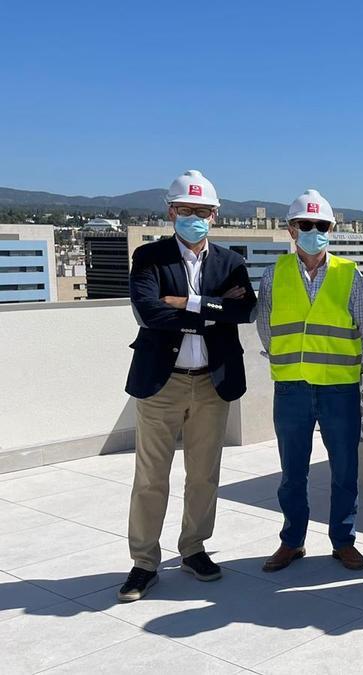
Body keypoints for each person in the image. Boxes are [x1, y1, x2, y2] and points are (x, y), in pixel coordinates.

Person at [119, 170, 257, 602]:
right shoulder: (149, 258)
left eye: (201, 211)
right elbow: (148, 313)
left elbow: (245, 312)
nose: (193, 218)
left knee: (203, 475)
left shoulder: (230, 262)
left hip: (212, 382)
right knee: (151, 478)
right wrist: (212, 310)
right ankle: (144, 562)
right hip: (163, 383)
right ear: (170, 212)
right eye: (185, 211)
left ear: (214, 215)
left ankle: (193, 548)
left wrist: (185, 302)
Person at [257, 189, 363, 573]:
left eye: (321, 225)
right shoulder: (274, 274)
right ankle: (292, 541)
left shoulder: (349, 273)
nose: (313, 231)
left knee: (344, 470)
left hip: (339, 387)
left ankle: (343, 541)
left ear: (331, 230)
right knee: (292, 473)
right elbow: (266, 327)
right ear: (292, 229)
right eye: (305, 225)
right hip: (291, 386)